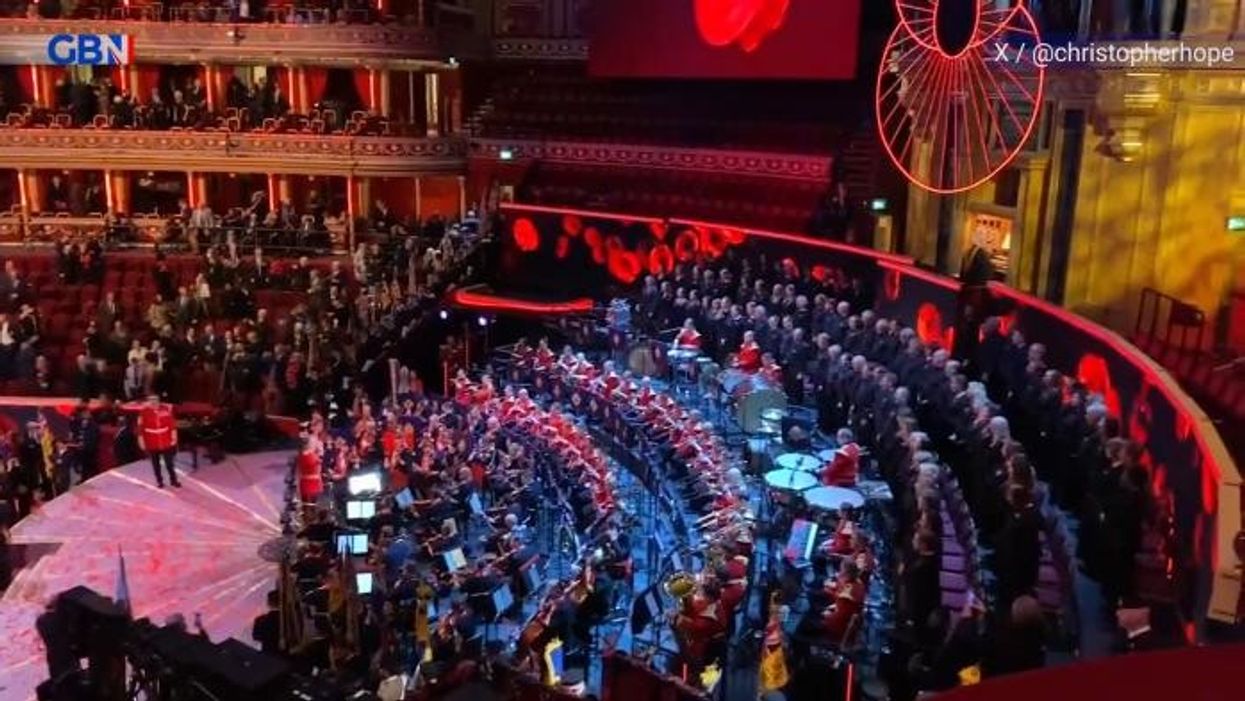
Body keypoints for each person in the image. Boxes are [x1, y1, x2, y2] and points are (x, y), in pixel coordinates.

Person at [137, 394, 180, 488]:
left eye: (155, 399)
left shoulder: (166, 409)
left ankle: (174, 480)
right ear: (148, 401)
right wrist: (141, 441)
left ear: (159, 400)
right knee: (155, 464)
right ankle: (159, 481)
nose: (153, 402)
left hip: (166, 441)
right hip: (151, 442)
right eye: (151, 400)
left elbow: (172, 424)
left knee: (169, 463)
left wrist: (174, 437)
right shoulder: (143, 412)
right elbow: (140, 428)